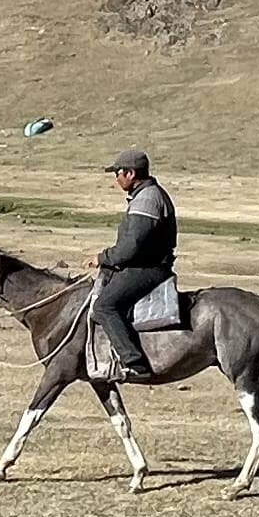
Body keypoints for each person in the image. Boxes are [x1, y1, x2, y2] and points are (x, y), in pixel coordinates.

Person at [89, 148, 176, 381]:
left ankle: (133, 362)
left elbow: (131, 247)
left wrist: (104, 257)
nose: (116, 179)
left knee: (104, 306)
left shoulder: (147, 199)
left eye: (117, 173)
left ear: (129, 173)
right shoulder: (147, 195)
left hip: (147, 269)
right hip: (146, 265)